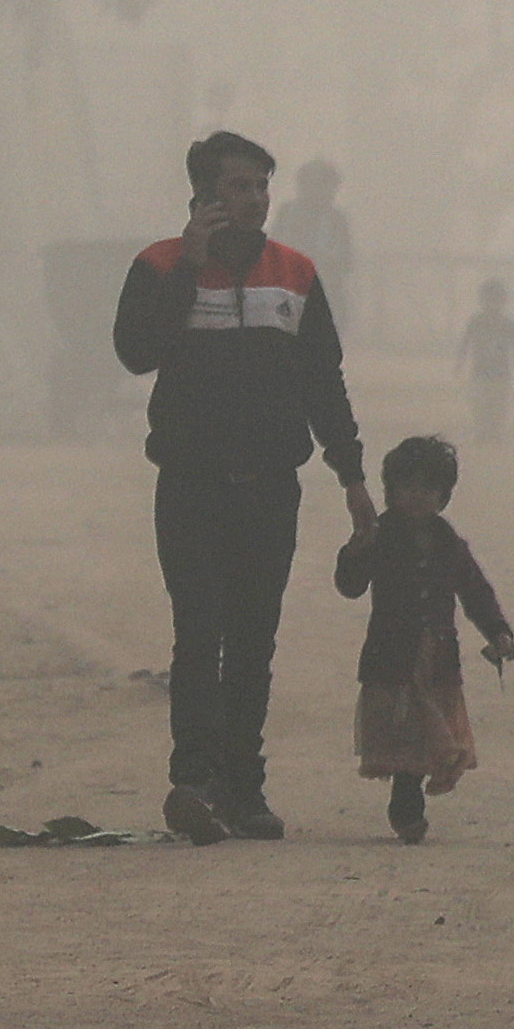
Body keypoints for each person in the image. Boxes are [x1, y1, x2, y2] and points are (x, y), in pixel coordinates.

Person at [112, 130, 371, 845]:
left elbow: (324, 381)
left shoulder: (295, 273)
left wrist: (352, 477)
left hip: (270, 487)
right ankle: (191, 782)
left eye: (261, 185)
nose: (255, 198)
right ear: (202, 198)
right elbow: (136, 352)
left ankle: (243, 789)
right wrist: (188, 270)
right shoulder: (157, 266)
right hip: (189, 484)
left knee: (254, 637)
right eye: (238, 187)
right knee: (198, 632)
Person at [335, 436, 514, 843]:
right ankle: (406, 794)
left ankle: (409, 793)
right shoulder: (379, 536)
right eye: (409, 488)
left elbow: (475, 591)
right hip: (391, 654)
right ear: (392, 491)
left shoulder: (449, 544)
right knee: (402, 731)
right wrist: (355, 551)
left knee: (429, 731)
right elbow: (350, 585)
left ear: (444, 495)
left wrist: (498, 631)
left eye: (429, 489)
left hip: (436, 658)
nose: (418, 497)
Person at [278, 158, 360, 337]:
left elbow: (346, 261)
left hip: (328, 294)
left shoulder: (337, 220)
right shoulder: (287, 214)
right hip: (287, 293)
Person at [456, 278, 514, 443]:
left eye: (496, 300)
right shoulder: (476, 322)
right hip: (480, 370)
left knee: (499, 402)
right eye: (489, 299)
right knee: (480, 402)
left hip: (500, 372)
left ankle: (495, 432)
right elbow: (465, 343)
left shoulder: (508, 324)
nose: (492, 304)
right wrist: (460, 362)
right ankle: (482, 431)